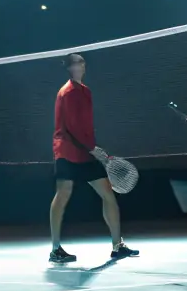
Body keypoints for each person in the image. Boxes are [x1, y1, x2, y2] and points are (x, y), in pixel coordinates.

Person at [49, 53, 138, 264]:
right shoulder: (67, 92)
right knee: (63, 194)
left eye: (82, 62)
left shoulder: (86, 92)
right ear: (69, 68)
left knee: (107, 193)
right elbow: (71, 128)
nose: (81, 65)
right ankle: (55, 249)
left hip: (86, 152)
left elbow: (85, 126)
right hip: (67, 150)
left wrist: (92, 148)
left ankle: (118, 246)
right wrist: (92, 148)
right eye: (76, 63)